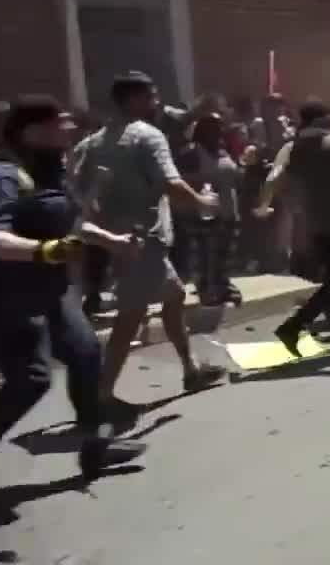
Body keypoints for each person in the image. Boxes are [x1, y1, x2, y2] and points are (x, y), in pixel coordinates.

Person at [0, 96, 146, 503]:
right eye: (62, 123)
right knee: (31, 379)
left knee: (86, 353)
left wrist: (113, 241)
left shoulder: (47, 173)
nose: (71, 130)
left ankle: (95, 448)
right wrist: (46, 252)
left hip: (41, 291)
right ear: (33, 132)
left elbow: (68, 222)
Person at [74, 71, 227, 410]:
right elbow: (171, 184)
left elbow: (82, 195)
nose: (156, 104)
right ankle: (101, 395)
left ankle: (191, 369)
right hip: (143, 242)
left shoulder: (92, 142)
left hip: (122, 240)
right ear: (133, 100)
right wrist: (202, 203)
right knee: (130, 317)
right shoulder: (148, 136)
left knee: (173, 297)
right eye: (151, 97)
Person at [258, 101, 330, 355]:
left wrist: (263, 206)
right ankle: (293, 327)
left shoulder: (292, 148)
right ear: (325, 122)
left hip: (312, 228)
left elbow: (272, 178)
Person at [179, 112, 242, 307]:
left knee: (224, 254)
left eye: (220, 126)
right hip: (203, 213)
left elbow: (234, 175)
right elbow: (182, 181)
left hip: (228, 210)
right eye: (213, 127)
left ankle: (223, 287)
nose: (218, 131)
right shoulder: (191, 154)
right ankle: (206, 290)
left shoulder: (222, 151)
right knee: (205, 255)